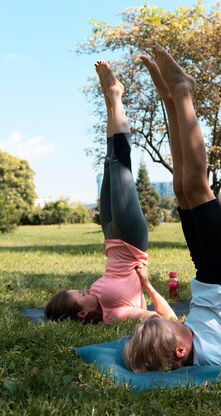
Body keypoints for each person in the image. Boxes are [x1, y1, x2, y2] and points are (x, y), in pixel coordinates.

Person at [123, 45, 221, 371]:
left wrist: (148, 286)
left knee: (181, 189)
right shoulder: (213, 354)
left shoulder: (182, 340)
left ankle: (170, 99)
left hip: (208, 278)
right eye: (172, 326)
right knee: (197, 187)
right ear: (180, 351)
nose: (174, 320)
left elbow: (166, 315)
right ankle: (182, 92)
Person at [45, 61, 176, 324]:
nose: (86, 290)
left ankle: (111, 100)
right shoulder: (116, 314)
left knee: (108, 160)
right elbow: (168, 320)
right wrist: (148, 286)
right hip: (130, 241)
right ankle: (116, 95)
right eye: (82, 294)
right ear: (82, 313)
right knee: (119, 163)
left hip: (111, 239)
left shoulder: (95, 299)